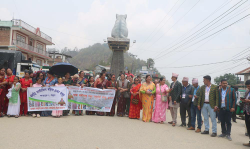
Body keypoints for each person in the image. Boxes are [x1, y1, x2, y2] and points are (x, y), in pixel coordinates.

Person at [242, 80, 250, 147]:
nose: (248, 87)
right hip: (247, 111)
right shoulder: (247, 91)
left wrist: (249, 100)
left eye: (249, 86)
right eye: (247, 86)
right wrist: (244, 100)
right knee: (248, 127)